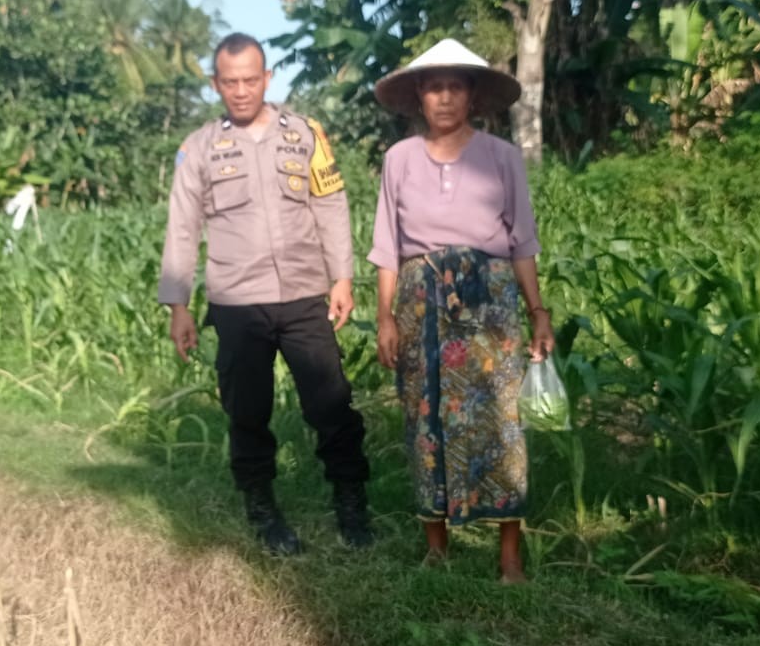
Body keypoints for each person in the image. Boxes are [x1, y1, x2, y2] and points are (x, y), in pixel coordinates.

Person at [158, 32, 373, 556]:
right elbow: (182, 227)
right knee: (247, 411)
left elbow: (330, 204)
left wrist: (341, 277)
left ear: (267, 78)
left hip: (304, 296)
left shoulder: (305, 134)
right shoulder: (199, 148)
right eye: (229, 82)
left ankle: (352, 506)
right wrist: (179, 304)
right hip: (236, 302)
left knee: (332, 403)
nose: (240, 90)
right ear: (215, 84)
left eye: (250, 79)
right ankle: (262, 509)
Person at [366, 38, 553, 583]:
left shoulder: (502, 158)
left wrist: (538, 311)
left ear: (472, 95)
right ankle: (437, 548)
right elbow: (387, 246)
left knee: (501, 421)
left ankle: (510, 556)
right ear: (419, 96)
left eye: (455, 86)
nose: (444, 98)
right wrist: (384, 317)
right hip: (420, 306)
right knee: (425, 421)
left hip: (490, 306)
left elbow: (522, 241)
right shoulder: (398, 159)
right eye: (433, 87)